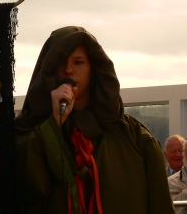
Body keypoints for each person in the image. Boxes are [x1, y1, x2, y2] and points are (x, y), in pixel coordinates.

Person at [11, 26, 174, 213]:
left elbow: (161, 206)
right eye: (61, 62)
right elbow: (19, 188)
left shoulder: (136, 138)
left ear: (93, 68)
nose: (69, 70)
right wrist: (53, 124)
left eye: (78, 62)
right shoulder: (25, 130)